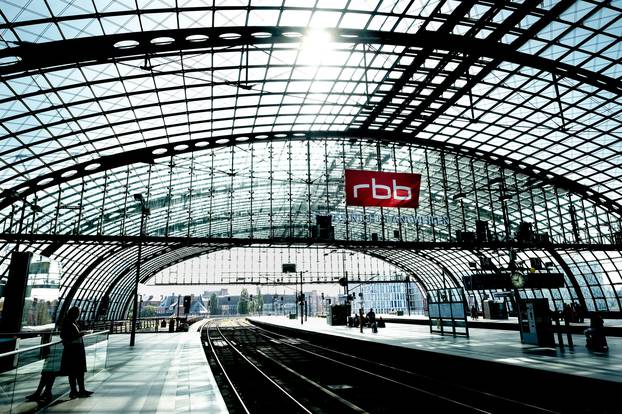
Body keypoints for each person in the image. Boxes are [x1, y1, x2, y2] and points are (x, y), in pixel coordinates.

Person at [60, 306, 93, 399]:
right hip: (73, 350)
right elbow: (64, 336)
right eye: (78, 313)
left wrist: (79, 334)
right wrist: (80, 334)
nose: (79, 315)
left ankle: (79, 390)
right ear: (73, 313)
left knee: (78, 371)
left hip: (76, 349)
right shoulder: (68, 322)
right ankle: (75, 391)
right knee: (74, 371)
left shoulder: (73, 322)